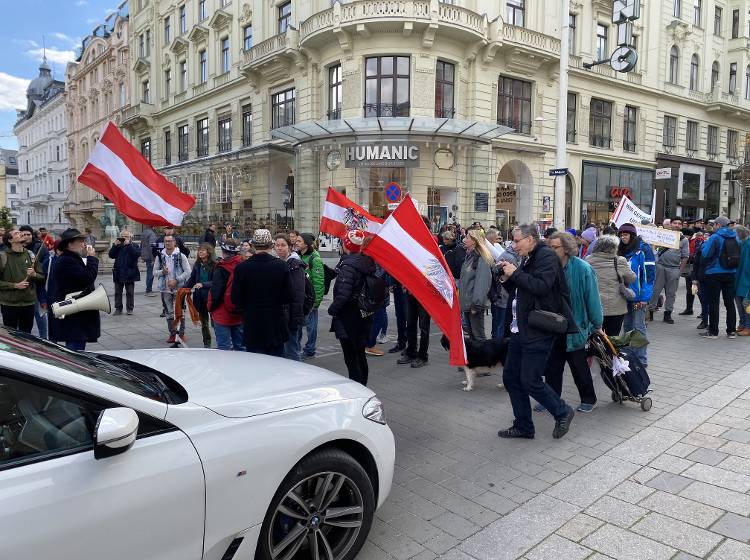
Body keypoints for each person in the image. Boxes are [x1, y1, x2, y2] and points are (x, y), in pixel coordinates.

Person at [497, 224, 577, 440]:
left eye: (516, 241)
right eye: (512, 241)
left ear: (531, 239)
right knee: (512, 378)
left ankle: (562, 411)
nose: (513, 246)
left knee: (530, 380)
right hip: (519, 329)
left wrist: (515, 273)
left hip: (537, 330)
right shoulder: (530, 256)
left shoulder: (547, 257)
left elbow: (541, 287)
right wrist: (507, 278)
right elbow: (522, 291)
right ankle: (524, 426)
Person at [545, 232, 603, 413]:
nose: (551, 251)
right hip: (552, 325)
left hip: (575, 326)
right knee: (552, 367)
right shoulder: (547, 267)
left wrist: (597, 324)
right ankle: (552, 399)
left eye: (555, 247)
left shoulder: (583, 268)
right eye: (549, 247)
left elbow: (592, 299)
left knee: (579, 367)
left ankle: (589, 398)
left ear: (567, 249)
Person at [231, 229, 293, 356]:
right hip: (275, 323)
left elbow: (236, 299)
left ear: (253, 245)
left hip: (252, 323)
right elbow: (289, 295)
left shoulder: (242, 268)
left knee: (256, 366)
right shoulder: (281, 266)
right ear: (271, 245)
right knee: (276, 366)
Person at [328, 230, 374, 385]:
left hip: (349, 316)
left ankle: (357, 388)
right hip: (362, 315)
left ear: (346, 245)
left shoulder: (348, 265)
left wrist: (332, 309)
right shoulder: (364, 261)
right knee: (360, 354)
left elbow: (343, 294)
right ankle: (363, 384)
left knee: (351, 358)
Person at [48, 229, 99, 350]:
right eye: (80, 241)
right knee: (75, 349)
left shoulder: (71, 258)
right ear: (70, 244)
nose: (84, 244)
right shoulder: (67, 260)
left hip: (75, 312)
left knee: (77, 344)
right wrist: (91, 259)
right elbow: (87, 278)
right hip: (73, 315)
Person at [617, 223, 655, 368]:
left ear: (632, 235)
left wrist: (644, 298)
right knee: (627, 327)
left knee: (639, 328)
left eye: (626, 235)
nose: (623, 237)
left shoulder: (643, 249)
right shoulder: (620, 250)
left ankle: (641, 359)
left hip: (639, 297)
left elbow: (650, 276)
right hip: (624, 296)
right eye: (621, 235)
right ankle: (629, 356)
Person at [585, 234, 636, 336]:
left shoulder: (588, 260)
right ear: (613, 248)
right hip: (615, 308)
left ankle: (596, 352)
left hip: (593, 307)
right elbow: (632, 278)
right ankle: (610, 352)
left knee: (594, 338)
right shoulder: (619, 260)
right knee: (613, 337)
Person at [697, 216, 738, 339]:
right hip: (731, 272)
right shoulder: (735, 236)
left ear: (719, 225)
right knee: (730, 303)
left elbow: (705, 254)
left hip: (715, 273)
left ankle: (713, 332)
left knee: (713, 302)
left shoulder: (715, 237)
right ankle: (731, 331)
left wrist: (704, 245)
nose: (713, 226)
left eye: (714, 224)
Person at [0, 229, 45, 333]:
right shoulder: (2, 257)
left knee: (26, 336)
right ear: (10, 240)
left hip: (28, 304)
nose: (21, 234)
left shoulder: (31, 255)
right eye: (16, 233)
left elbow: (42, 277)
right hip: (9, 305)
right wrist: (14, 285)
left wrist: (34, 274)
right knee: (11, 336)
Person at [649, 217, 689, 324]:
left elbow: (685, 256)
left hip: (674, 269)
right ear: (670, 224)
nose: (676, 225)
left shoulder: (684, 240)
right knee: (655, 291)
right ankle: (650, 311)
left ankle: (668, 314)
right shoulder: (663, 235)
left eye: (679, 223)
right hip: (660, 267)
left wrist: (679, 271)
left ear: (681, 226)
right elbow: (654, 247)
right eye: (674, 223)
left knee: (671, 293)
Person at [274, 233, 307, 361]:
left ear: (289, 247)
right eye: (277, 245)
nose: (280, 248)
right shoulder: (278, 263)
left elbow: (298, 293)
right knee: (283, 350)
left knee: (292, 350)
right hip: (282, 314)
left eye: (283, 245)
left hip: (292, 314)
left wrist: (294, 317)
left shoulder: (294, 264)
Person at [154, 235, 191, 344]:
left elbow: (188, 271)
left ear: (174, 242)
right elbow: (154, 272)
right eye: (166, 241)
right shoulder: (160, 256)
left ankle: (181, 334)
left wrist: (176, 280)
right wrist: (162, 272)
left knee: (180, 311)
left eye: (170, 241)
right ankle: (172, 333)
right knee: (169, 312)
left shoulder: (181, 256)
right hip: (165, 289)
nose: (168, 243)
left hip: (179, 288)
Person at [208, 240, 245, 351]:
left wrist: (211, 308)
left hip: (222, 313)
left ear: (223, 252)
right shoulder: (243, 266)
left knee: (224, 348)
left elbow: (216, 293)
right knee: (240, 347)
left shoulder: (221, 269)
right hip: (238, 313)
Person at [459, 227, 493, 340]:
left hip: (474, 305)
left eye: (467, 237)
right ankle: (477, 358)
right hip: (468, 304)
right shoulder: (469, 257)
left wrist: (477, 305)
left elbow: (482, 283)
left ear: (474, 240)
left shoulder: (481, 259)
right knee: (473, 337)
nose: (464, 239)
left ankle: (485, 358)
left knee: (479, 337)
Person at [296, 233, 324, 359]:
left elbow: (318, 283)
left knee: (311, 327)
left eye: (299, 241)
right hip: (299, 298)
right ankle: (296, 348)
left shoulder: (315, 259)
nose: (296, 243)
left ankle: (310, 349)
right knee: (298, 325)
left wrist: (316, 303)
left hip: (310, 299)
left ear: (306, 244)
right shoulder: (297, 256)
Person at [185, 242, 216, 348]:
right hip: (200, 298)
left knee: (214, 323)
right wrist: (184, 288)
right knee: (204, 323)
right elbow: (192, 279)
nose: (200, 252)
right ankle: (207, 344)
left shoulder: (215, 265)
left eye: (203, 250)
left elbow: (216, 282)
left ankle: (221, 342)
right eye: (199, 250)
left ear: (209, 252)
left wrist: (203, 284)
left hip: (211, 298)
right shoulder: (197, 265)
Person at [108, 229, 140, 315]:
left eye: (126, 236)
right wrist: (114, 246)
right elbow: (111, 255)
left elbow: (136, 255)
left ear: (130, 237)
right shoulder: (118, 246)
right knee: (118, 292)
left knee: (130, 292)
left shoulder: (134, 245)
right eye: (123, 236)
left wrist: (129, 245)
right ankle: (118, 308)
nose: (124, 238)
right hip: (118, 272)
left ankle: (130, 308)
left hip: (130, 272)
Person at [734, 226, 750, 336]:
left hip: (747, 280)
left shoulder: (748, 244)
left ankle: (748, 326)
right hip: (739, 278)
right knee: (739, 302)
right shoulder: (741, 244)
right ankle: (742, 323)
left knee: (746, 303)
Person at [140, 226, 158, 295]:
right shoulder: (152, 234)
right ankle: (149, 290)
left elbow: (141, 245)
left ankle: (149, 288)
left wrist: (142, 256)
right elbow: (152, 247)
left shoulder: (144, 232)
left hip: (145, 255)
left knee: (149, 271)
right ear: (153, 226)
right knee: (151, 273)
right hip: (150, 256)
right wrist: (153, 258)